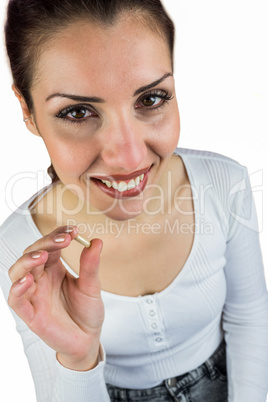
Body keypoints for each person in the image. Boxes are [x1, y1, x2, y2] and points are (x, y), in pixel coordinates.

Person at [0, 0, 267, 401]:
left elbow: (250, 318)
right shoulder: (18, 249)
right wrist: (78, 358)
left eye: (151, 99)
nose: (129, 158)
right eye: (77, 112)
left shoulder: (224, 184)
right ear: (28, 111)